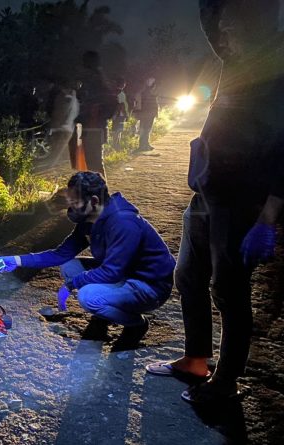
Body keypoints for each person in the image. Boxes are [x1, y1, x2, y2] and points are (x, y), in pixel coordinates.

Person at [145, 0, 284, 404]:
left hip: (242, 206)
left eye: (232, 23)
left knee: (229, 290)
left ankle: (226, 382)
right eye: (222, 23)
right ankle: (195, 360)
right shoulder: (236, 61)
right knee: (188, 276)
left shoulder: (277, 71)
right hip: (206, 196)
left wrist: (268, 218)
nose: (224, 32)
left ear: (258, 23)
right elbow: (212, 23)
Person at [0, 171, 176, 349]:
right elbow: (61, 254)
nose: (71, 208)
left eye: (75, 203)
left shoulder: (124, 223)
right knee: (69, 266)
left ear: (94, 201)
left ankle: (136, 324)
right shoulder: (89, 220)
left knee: (88, 296)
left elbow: (111, 272)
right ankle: (105, 311)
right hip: (124, 273)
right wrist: (16, 260)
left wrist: (70, 285)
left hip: (149, 285)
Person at [73, 51, 113, 177]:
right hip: (94, 126)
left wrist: (86, 115)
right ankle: (98, 186)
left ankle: (99, 187)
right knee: (93, 162)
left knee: (93, 163)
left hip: (93, 127)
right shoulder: (99, 81)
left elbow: (88, 104)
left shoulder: (93, 82)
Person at [48, 79, 81, 165]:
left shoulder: (65, 99)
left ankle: (53, 165)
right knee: (62, 149)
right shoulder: (75, 100)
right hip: (68, 127)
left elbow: (60, 112)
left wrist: (56, 124)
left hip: (61, 127)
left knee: (57, 149)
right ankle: (59, 164)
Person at [134, 77, 159, 151]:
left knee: (143, 129)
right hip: (149, 114)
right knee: (147, 129)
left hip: (143, 114)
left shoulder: (143, 92)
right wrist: (156, 112)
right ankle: (144, 145)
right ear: (152, 85)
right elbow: (154, 104)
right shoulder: (151, 93)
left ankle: (144, 144)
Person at [112, 78, 129, 150]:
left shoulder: (114, 92)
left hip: (115, 114)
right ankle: (116, 146)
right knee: (118, 130)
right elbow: (121, 105)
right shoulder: (121, 93)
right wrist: (126, 114)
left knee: (116, 130)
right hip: (120, 114)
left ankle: (116, 145)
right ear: (123, 85)